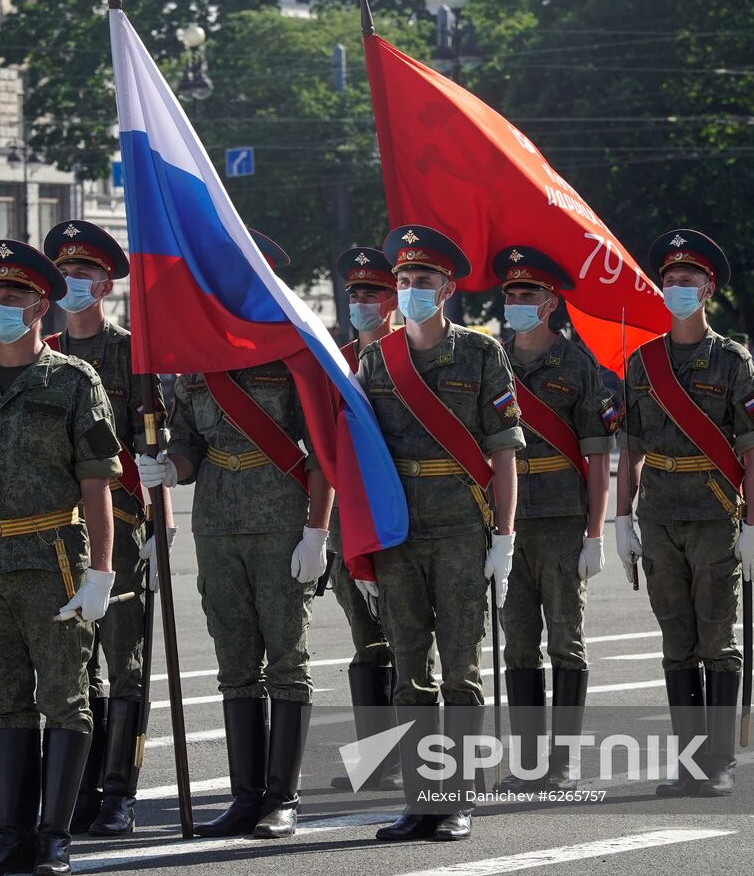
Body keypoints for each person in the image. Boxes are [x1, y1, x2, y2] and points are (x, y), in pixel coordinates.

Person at [0, 238, 120, 876]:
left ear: (42, 306)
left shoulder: (74, 382)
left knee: (65, 698)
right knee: (4, 701)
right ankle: (10, 836)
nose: (1, 304)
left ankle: (54, 838)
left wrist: (101, 573)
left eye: (14, 294)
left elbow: (97, 483)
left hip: (52, 560)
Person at [138, 230, 333, 841]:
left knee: (287, 659)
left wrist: (317, 531)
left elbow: (323, 453)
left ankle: (283, 798)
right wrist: (170, 470)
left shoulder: (296, 351)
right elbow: (190, 443)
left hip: (281, 520)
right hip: (218, 523)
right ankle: (245, 796)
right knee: (235, 661)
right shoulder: (197, 360)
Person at [355, 224, 524, 842]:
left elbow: (503, 452)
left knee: (459, 669)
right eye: (402, 280)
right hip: (399, 531)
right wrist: (363, 546)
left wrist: (503, 539)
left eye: (421, 280)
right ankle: (420, 800)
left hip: (458, 526)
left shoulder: (481, 354)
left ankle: (457, 800)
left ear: (447, 288)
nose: (409, 290)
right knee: (411, 671)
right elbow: (361, 453)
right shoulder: (377, 358)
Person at [615, 228, 754, 799]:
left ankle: (719, 762)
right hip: (658, 517)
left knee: (717, 639)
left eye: (688, 280)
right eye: (670, 280)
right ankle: (689, 763)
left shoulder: (732, 361)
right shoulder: (642, 362)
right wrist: (622, 520)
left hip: (712, 516)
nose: (676, 288)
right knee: (676, 641)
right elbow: (630, 450)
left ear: (707, 290)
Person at [42, 219, 172, 837]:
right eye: (65, 271)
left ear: (106, 285)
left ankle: (120, 791)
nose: (73, 280)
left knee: (125, 661)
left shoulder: (132, 352)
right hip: (56, 531)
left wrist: (161, 525)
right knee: (72, 663)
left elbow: (153, 443)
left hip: (119, 525)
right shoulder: (43, 352)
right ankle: (81, 790)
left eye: (85, 271)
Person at [492, 246, 615, 795]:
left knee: (566, 640)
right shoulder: (491, 361)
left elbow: (598, 455)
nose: (517, 302)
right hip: (508, 522)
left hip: (563, 519)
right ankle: (526, 761)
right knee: (517, 643)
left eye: (528, 294)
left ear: (551, 303)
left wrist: (596, 533)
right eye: (512, 294)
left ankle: (561, 762)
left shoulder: (577, 365)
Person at [327, 245, 402, 792]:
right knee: (366, 640)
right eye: (354, 293)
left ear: (393, 299)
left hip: (403, 519)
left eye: (370, 293)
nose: (360, 302)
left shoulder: (413, 355)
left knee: (411, 639)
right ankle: (377, 760)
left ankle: (417, 756)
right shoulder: (336, 361)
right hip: (348, 523)